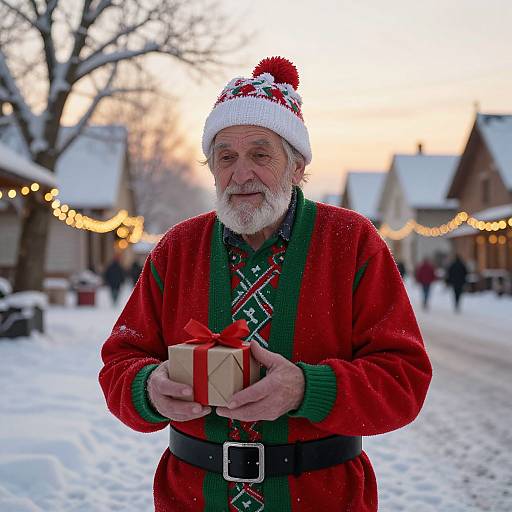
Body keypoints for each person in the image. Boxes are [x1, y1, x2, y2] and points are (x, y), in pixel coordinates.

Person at [99, 57, 432, 512]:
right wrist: (147, 388)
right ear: (212, 168)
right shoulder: (178, 247)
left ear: (297, 167)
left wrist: (305, 388)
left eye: (261, 153)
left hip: (323, 497)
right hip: (192, 497)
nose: (241, 173)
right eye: (226, 156)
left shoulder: (351, 242)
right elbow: (120, 361)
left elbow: (403, 382)